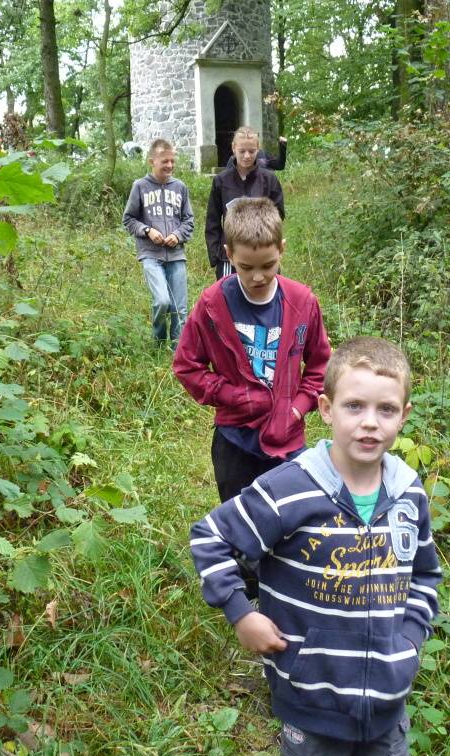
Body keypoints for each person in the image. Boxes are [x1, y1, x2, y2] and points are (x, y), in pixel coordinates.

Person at [190, 336, 443, 756]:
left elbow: (424, 575)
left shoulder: (409, 493)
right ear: (326, 409)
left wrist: (409, 642)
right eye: (354, 406)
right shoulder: (290, 488)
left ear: (404, 415)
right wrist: (241, 613)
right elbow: (210, 537)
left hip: (387, 704)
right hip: (310, 703)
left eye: (385, 410)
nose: (369, 423)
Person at [174, 197, 330, 504]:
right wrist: (234, 396)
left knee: (290, 517)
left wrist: (297, 408)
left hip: (287, 440)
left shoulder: (302, 302)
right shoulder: (212, 305)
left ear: (281, 249)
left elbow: (321, 367)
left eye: (268, 265)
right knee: (239, 519)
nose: (258, 277)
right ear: (229, 253)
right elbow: (187, 365)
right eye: (245, 267)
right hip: (234, 440)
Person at [122, 139, 194, 348]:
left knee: (180, 308)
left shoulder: (180, 187)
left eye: (172, 161)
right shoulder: (140, 186)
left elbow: (188, 220)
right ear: (151, 161)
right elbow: (129, 219)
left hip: (176, 255)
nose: (170, 165)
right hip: (150, 255)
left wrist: (178, 235)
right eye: (165, 161)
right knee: (162, 301)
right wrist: (147, 231)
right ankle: (159, 343)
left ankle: (178, 350)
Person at [205, 127, 285, 280]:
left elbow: (278, 215)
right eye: (242, 151)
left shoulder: (269, 180)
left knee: (264, 291)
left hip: (262, 251)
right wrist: (216, 254)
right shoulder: (221, 181)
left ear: (258, 149)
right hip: (229, 256)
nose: (247, 156)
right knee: (229, 293)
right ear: (233, 148)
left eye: (251, 151)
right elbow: (212, 220)